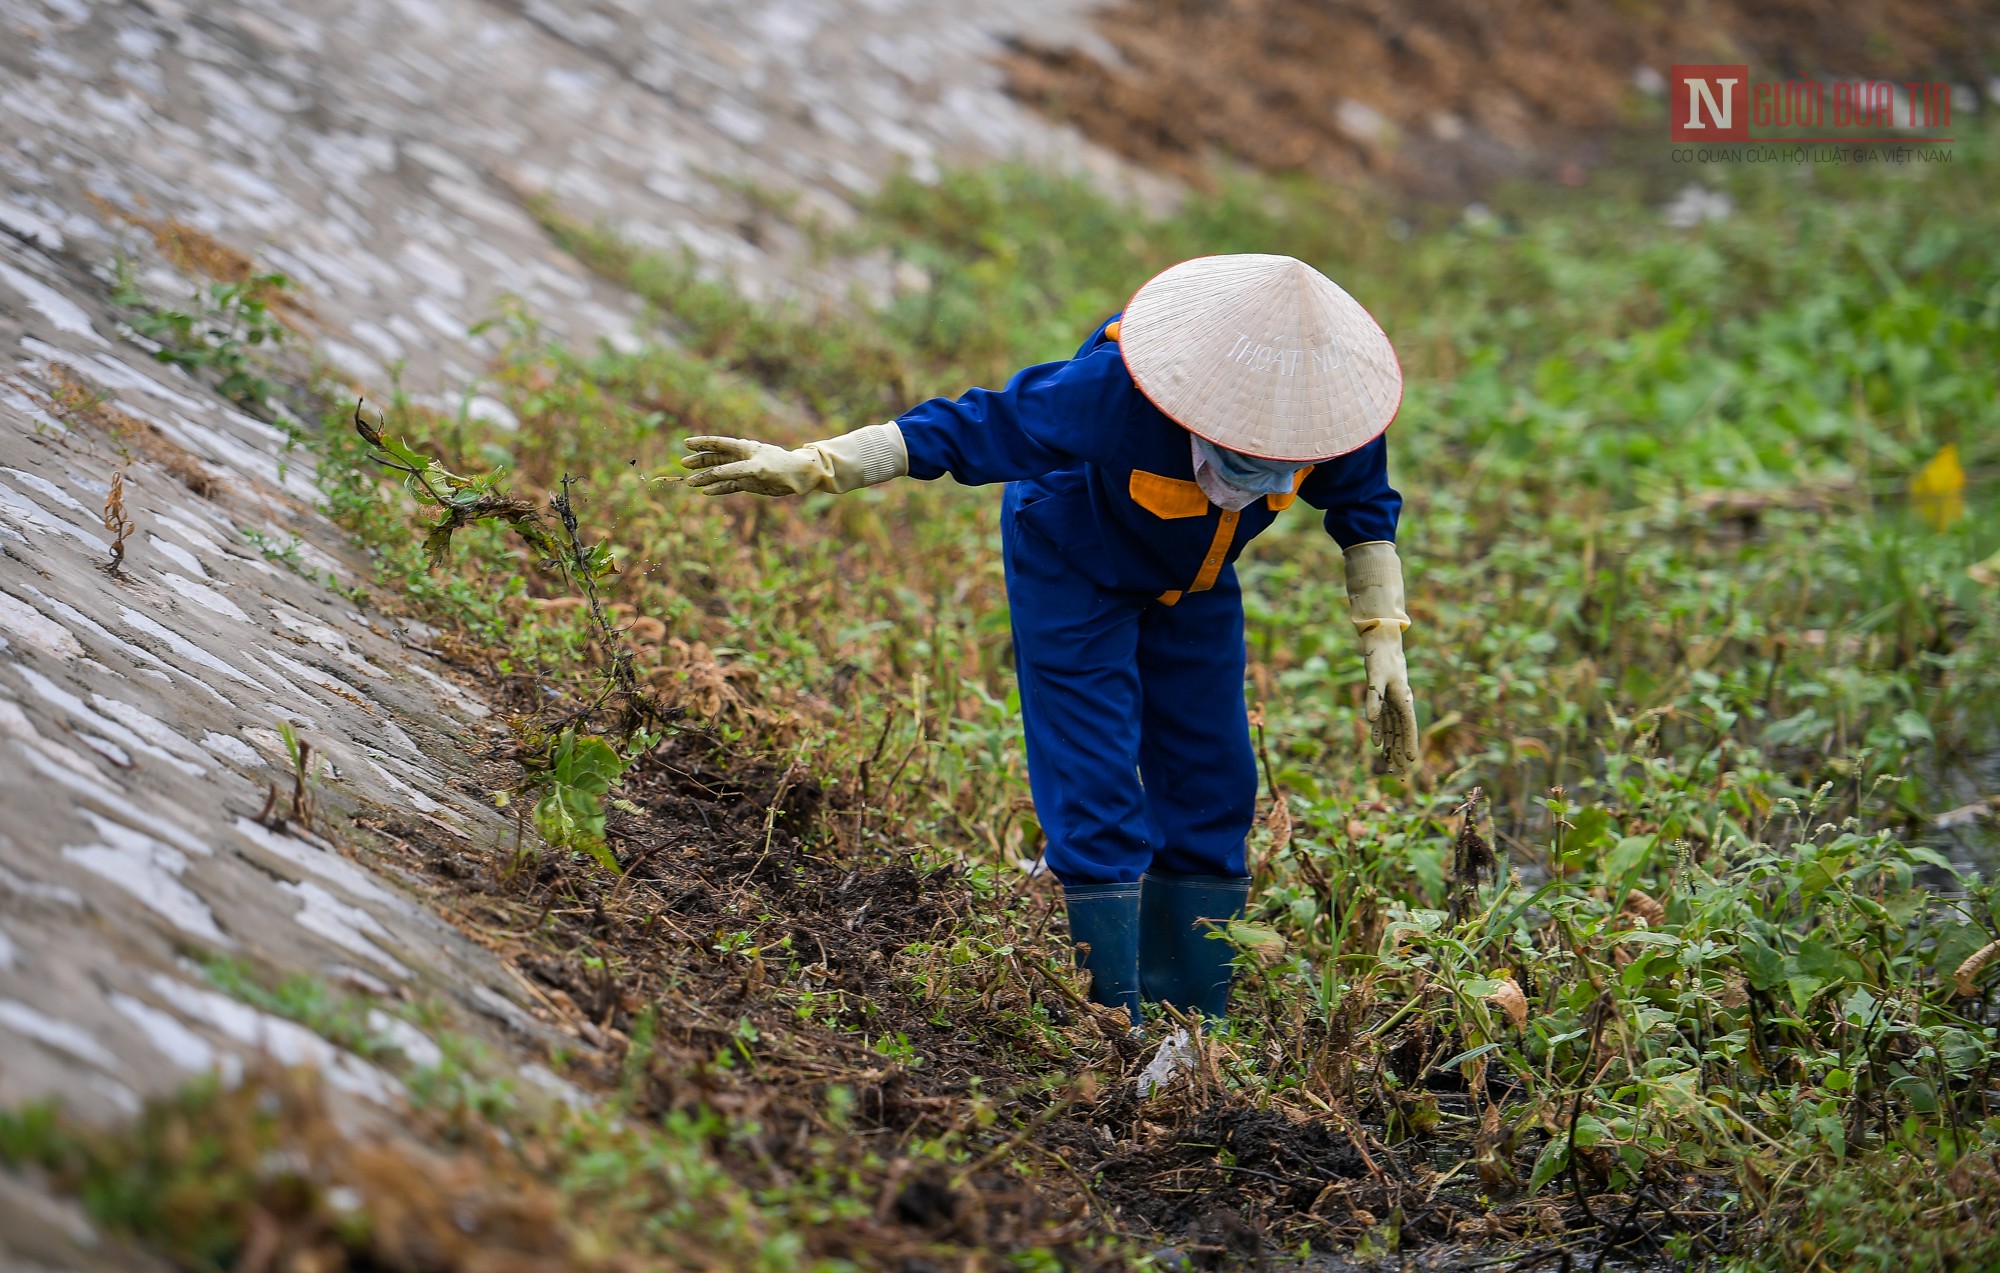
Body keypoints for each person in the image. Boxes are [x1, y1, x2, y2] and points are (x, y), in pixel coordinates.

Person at [680, 254, 1416, 1027]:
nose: (1265, 478)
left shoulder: (1330, 416)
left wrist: (1383, 642)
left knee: (1215, 780)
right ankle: (1108, 1019)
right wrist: (815, 463)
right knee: (1095, 782)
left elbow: (1364, 513)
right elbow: (973, 425)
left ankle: (1194, 1024)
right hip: (1073, 560)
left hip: (1195, 579)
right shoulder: (1117, 395)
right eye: (1243, 459)